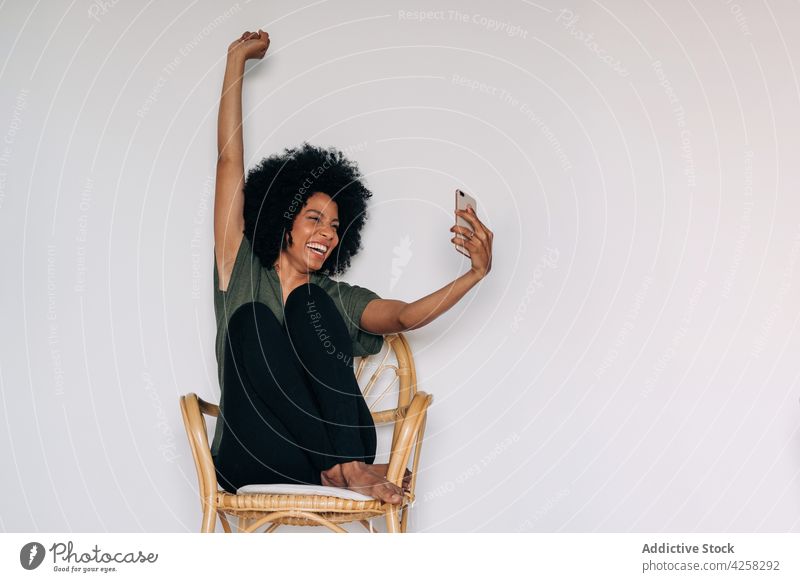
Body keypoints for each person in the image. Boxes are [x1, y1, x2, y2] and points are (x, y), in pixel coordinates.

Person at [211, 29, 493, 506]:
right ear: (284, 220)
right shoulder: (238, 268)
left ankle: (345, 467)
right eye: (314, 219)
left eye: (336, 226)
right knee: (251, 321)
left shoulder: (331, 297)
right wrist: (235, 61)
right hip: (255, 452)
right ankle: (345, 470)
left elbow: (404, 317)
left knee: (307, 302)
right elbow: (228, 164)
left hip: (342, 441)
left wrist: (473, 274)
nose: (326, 233)